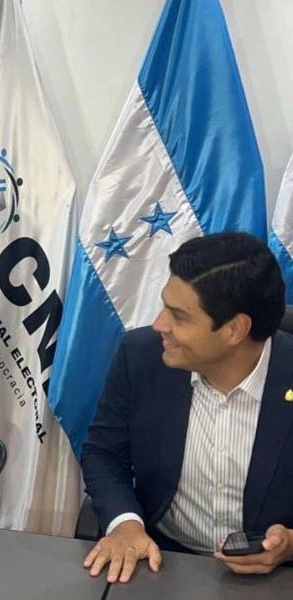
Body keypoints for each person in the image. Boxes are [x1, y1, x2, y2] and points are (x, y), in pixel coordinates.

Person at [81, 232, 293, 582]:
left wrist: (290, 545)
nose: (159, 325)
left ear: (235, 329)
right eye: (164, 306)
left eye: (178, 316)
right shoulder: (141, 356)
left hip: (276, 578)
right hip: (162, 561)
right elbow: (104, 454)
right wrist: (126, 525)